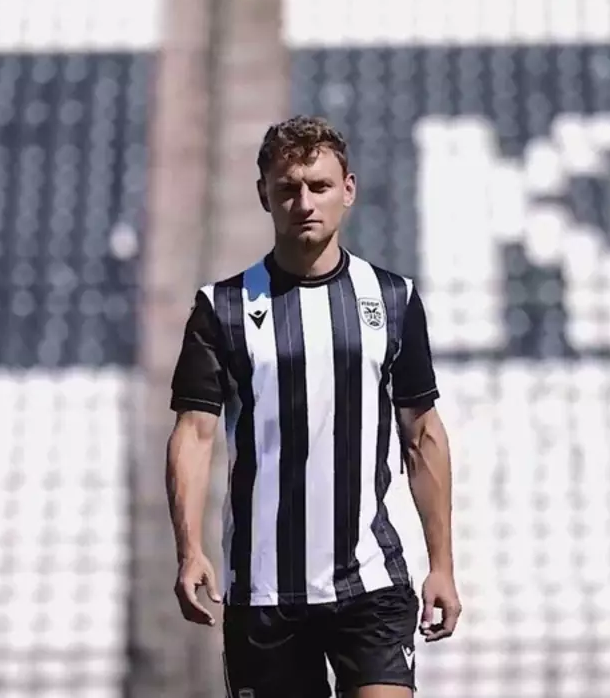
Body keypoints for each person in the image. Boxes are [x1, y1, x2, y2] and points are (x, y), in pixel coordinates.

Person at [164, 115, 462, 697]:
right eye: (288, 189)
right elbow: (193, 434)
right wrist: (190, 548)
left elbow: (422, 434)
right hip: (264, 593)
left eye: (319, 186)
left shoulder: (393, 300)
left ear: (348, 189)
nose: (304, 203)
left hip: (371, 582)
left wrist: (443, 565)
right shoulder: (221, 308)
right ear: (264, 195)